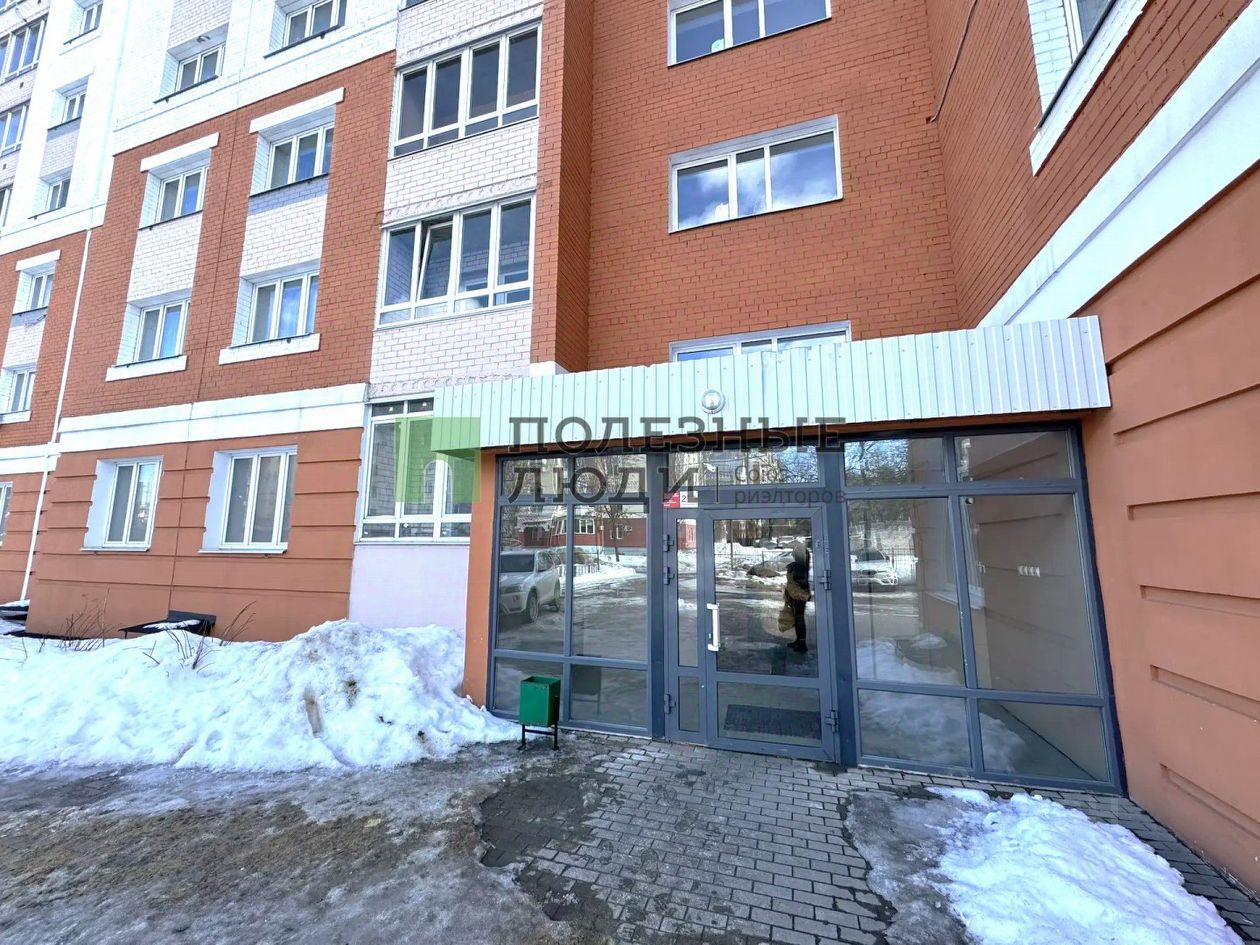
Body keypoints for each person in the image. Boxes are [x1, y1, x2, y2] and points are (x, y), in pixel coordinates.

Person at [779, 543, 811, 653]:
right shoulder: (801, 566)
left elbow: (800, 582)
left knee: (799, 618)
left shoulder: (800, 568)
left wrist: (792, 569)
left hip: (799, 596)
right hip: (797, 594)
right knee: (797, 618)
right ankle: (799, 640)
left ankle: (802, 642)